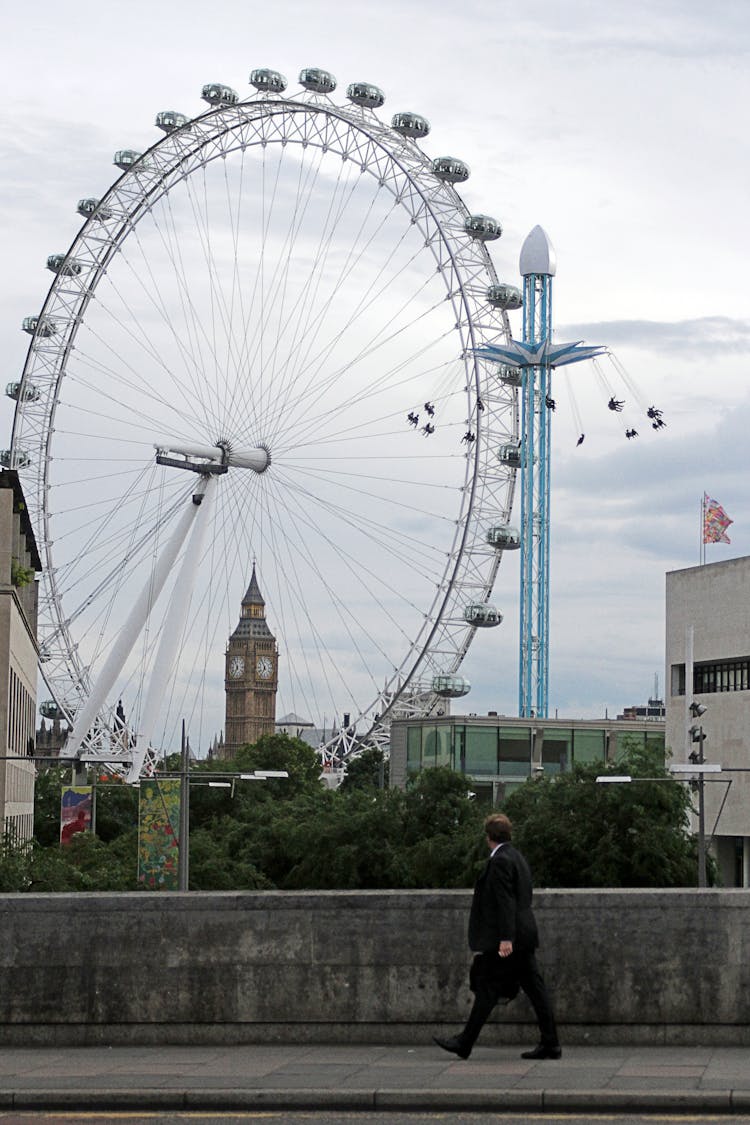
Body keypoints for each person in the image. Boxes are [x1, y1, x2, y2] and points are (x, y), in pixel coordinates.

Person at [433, 812, 561, 1061]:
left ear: (488, 837)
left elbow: (505, 902)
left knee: (489, 988)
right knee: (533, 991)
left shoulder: (500, 861)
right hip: (524, 934)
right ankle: (550, 1043)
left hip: (511, 939)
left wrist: (505, 938)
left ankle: (465, 1042)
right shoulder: (517, 857)